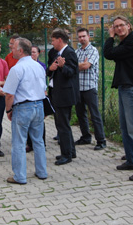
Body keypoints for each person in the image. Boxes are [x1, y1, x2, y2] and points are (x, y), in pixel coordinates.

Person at [103, 15, 133, 182]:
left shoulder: (132, 42)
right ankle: (132, 161)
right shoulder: (125, 42)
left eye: (121, 25)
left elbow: (108, 53)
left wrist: (110, 37)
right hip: (124, 88)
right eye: (115, 27)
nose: (118, 29)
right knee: (125, 128)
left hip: (131, 89)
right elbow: (112, 54)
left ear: (129, 26)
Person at [3, 38, 47, 184]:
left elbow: (9, 94)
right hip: (38, 105)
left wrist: (8, 109)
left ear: (20, 51)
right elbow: (43, 88)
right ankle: (42, 171)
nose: (12, 50)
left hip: (23, 108)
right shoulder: (39, 66)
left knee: (19, 143)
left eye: (14, 48)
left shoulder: (17, 69)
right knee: (38, 141)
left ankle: (20, 176)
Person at [46, 28, 80, 165]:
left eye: (53, 40)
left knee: (63, 125)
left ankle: (66, 155)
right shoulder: (56, 53)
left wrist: (62, 67)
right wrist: (52, 68)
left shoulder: (69, 52)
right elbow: (50, 70)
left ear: (60, 40)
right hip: (56, 92)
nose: (52, 43)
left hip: (65, 94)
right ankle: (70, 151)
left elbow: (72, 72)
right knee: (63, 124)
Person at [74, 27, 107, 150]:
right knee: (80, 114)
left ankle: (101, 140)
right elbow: (75, 66)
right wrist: (79, 65)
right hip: (78, 88)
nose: (82, 38)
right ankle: (86, 137)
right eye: (80, 36)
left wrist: (77, 65)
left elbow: (86, 66)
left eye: (84, 36)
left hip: (89, 87)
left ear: (88, 37)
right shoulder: (77, 52)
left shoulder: (93, 51)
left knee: (94, 115)